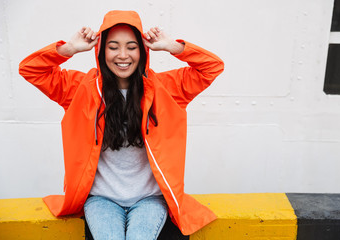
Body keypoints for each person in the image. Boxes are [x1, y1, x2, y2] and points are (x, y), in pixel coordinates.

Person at [19, 10, 224, 239]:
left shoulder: (166, 88)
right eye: (113, 46)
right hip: (102, 199)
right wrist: (69, 49)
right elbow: (30, 69)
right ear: (101, 50)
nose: (123, 55)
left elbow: (212, 67)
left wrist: (171, 46)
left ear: (143, 51)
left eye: (132, 47)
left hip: (149, 199)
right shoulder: (80, 89)